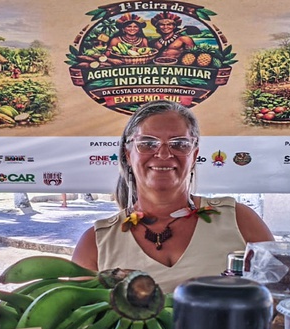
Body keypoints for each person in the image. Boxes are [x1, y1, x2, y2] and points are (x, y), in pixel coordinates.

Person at [72, 100, 274, 293]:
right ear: (128, 153)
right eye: (148, 143)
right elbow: (74, 322)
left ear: (194, 155)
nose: (163, 154)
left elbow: (283, 299)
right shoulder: (96, 243)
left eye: (179, 143)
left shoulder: (239, 221)